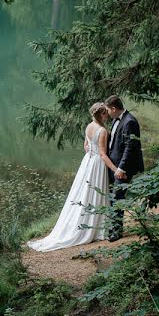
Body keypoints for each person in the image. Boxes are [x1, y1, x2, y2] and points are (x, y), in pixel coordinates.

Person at [27, 102, 119, 251]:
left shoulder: (89, 126)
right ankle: (98, 227)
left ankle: (92, 223)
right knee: (95, 192)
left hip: (88, 162)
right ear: (101, 114)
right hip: (97, 164)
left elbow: (86, 146)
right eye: (105, 113)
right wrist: (115, 169)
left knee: (85, 192)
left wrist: (91, 151)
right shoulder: (102, 130)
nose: (107, 115)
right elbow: (102, 154)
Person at [104, 95, 144, 241]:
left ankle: (117, 231)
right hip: (114, 165)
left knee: (118, 197)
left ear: (114, 109)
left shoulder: (130, 122)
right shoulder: (116, 119)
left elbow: (130, 147)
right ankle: (113, 227)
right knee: (113, 196)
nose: (107, 113)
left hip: (123, 167)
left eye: (108, 110)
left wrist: (121, 168)